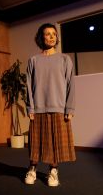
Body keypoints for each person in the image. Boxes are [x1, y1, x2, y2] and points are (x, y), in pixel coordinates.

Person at [24, 23, 76, 187]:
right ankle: (32, 169)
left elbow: (70, 85)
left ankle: (53, 171)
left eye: (54, 34)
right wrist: (30, 107)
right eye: (48, 34)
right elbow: (28, 86)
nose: (52, 36)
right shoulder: (33, 60)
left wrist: (70, 108)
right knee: (36, 142)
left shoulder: (64, 59)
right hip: (38, 108)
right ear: (41, 37)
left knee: (55, 143)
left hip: (59, 108)